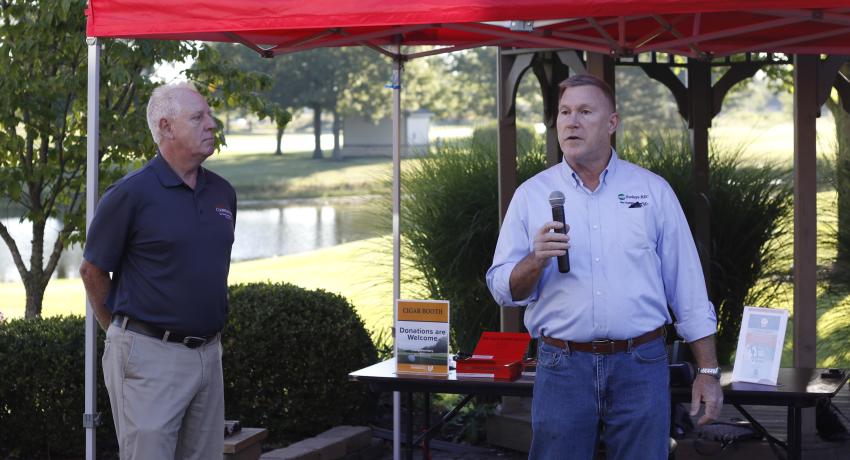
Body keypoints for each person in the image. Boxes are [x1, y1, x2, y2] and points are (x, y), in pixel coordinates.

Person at [486, 74, 723, 459]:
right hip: (562, 365)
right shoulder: (531, 196)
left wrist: (708, 372)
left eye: (584, 111)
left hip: (641, 365)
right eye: (564, 112)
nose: (571, 122)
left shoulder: (651, 191)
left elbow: (688, 288)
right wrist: (535, 259)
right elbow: (503, 289)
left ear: (612, 123)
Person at [79, 82, 236, 460]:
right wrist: (120, 332)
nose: (212, 124)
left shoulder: (223, 192)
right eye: (198, 117)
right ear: (166, 127)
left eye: (210, 115)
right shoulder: (130, 193)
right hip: (148, 357)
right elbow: (91, 270)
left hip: (209, 355)